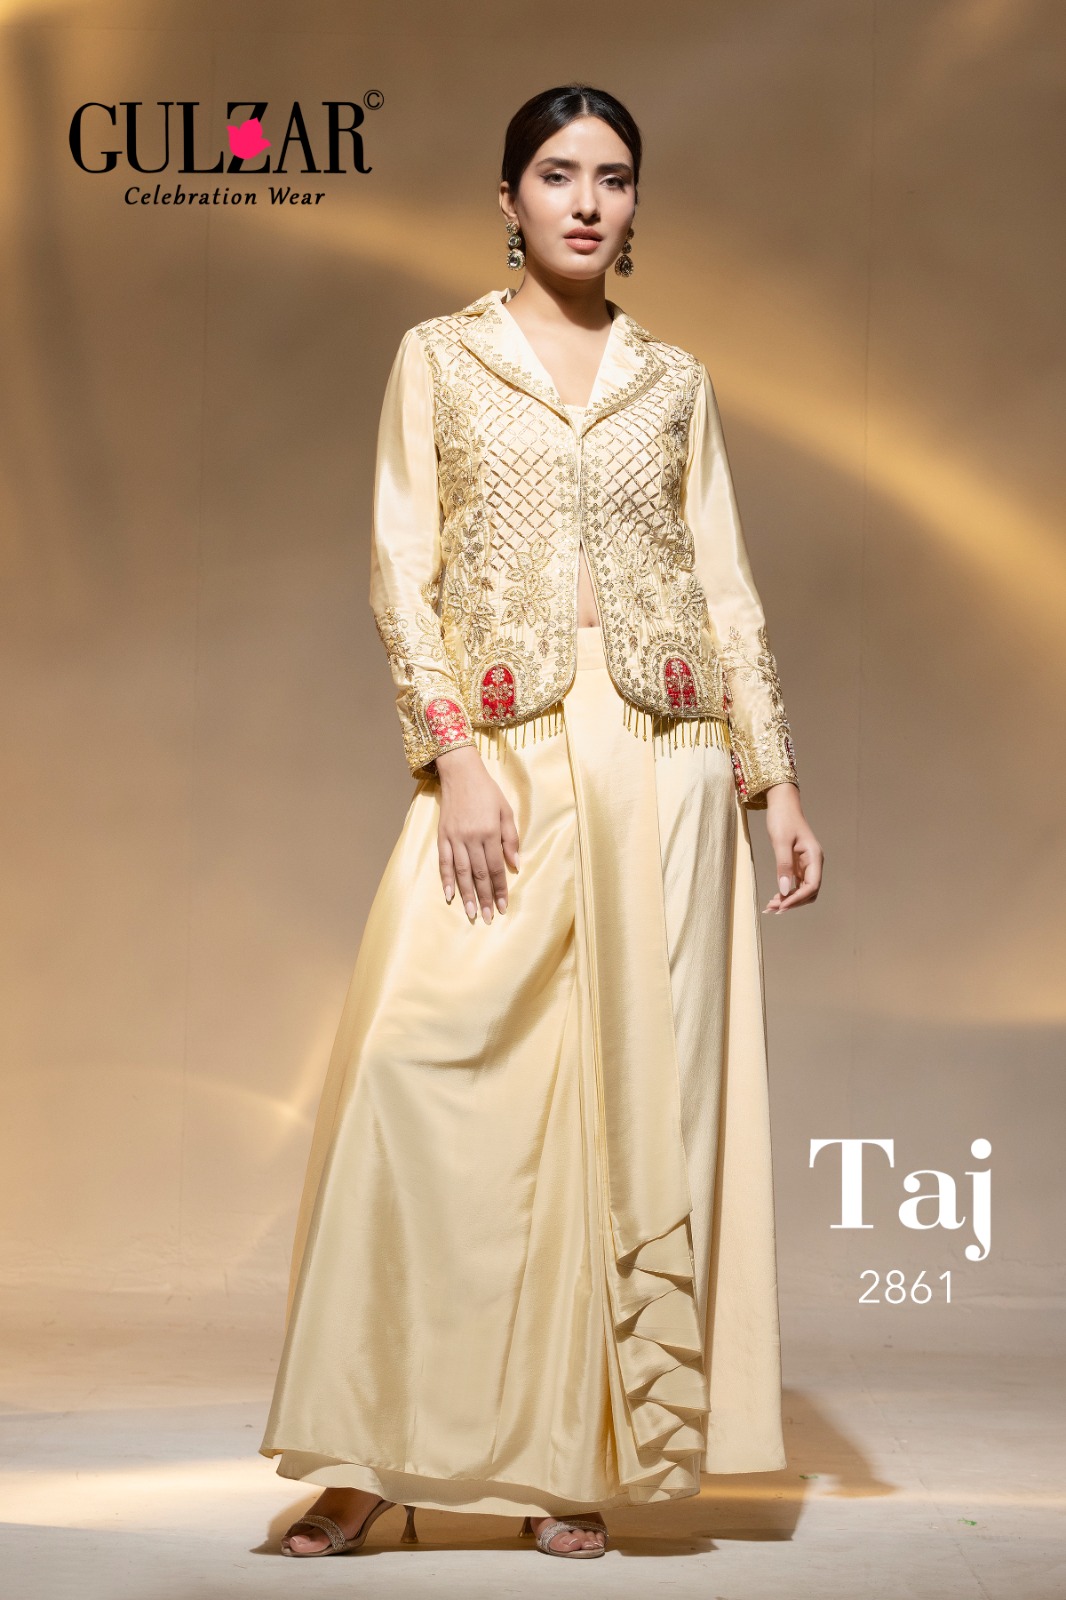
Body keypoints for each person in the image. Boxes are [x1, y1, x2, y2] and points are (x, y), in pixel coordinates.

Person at [259, 82, 824, 1563]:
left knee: (623, 1109)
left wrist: (772, 782)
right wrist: (453, 756)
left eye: (614, 177)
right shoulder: (439, 357)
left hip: (668, 760)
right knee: (416, 1067)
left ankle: (570, 1457)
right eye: (558, 173)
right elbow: (401, 566)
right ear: (507, 197)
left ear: (637, 205)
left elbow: (725, 589)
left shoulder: (673, 380)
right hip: (505, 754)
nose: (587, 200)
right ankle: (374, 1458)